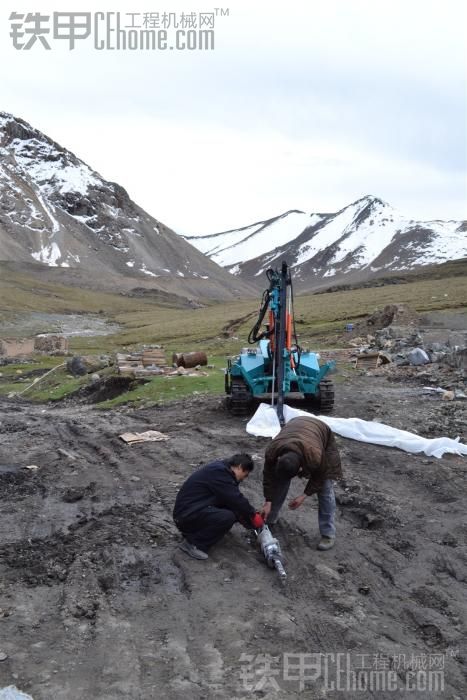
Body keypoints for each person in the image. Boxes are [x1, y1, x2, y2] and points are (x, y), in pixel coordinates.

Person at [261, 416, 343, 550]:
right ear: (279, 458)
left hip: (321, 433)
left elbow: (319, 478)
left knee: (325, 489)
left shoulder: (315, 456)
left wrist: (304, 496)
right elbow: (269, 476)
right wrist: (268, 501)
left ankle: (328, 534)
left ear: (301, 469)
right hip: (295, 425)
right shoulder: (273, 451)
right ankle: (269, 520)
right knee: (280, 479)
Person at [173, 453, 264, 560]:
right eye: (245, 475)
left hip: (192, 510)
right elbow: (235, 499)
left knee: (233, 511)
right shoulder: (220, 473)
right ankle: (193, 544)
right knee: (227, 517)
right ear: (240, 467)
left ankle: (196, 532)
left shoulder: (222, 470)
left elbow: (231, 501)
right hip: (185, 516)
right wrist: (252, 515)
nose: (243, 479)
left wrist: (247, 521)